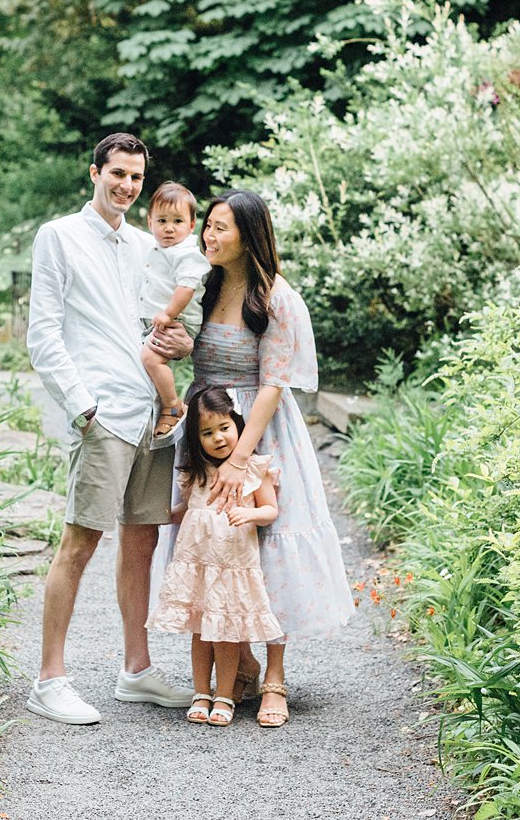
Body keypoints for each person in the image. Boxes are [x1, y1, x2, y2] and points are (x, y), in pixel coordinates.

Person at [24, 132, 196, 725]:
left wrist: (182, 342)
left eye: (135, 178)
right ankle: (49, 680)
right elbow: (43, 333)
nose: (126, 185)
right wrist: (81, 406)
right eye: (117, 173)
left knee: (142, 541)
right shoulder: (60, 237)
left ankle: (136, 671)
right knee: (80, 542)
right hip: (103, 415)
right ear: (93, 173)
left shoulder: (151, 246)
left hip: (151, 413)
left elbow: (165, 325)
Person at [189, 188, 355, 727]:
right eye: (207, 226)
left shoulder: (275, 296)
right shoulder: (204, 286)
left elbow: (273, 384)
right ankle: (240, 664)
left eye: (221, 228)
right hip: (207, 426)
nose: (209, 236)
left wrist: (241, 458)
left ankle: (276, 679)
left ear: (249, 235)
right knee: (216, 546)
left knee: (268, 548)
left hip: (260, 432)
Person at [147, 387, 282, 726]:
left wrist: (250, 515)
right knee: (199, 632)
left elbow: (270, 510)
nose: (218, 438)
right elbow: (190, 507)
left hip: (232, 567)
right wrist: (165, 513)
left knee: (225, 633)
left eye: (224, 428)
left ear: (238, 424)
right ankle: (200, 692)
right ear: (196, 438)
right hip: (198, 567)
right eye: (207, 433)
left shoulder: (253, 470)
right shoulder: (196, 471)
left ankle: (224, 695)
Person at [138, 182, 210, 438]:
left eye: (177, 221)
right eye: (162, 220)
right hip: (164, 319)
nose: (169, 228)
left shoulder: (186, 253)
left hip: (179, 319)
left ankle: (173, 406)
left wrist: (168, 314)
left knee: (150, 358)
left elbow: (186, 287)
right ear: (150, 223)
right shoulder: (157, 248)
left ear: (191, 226)